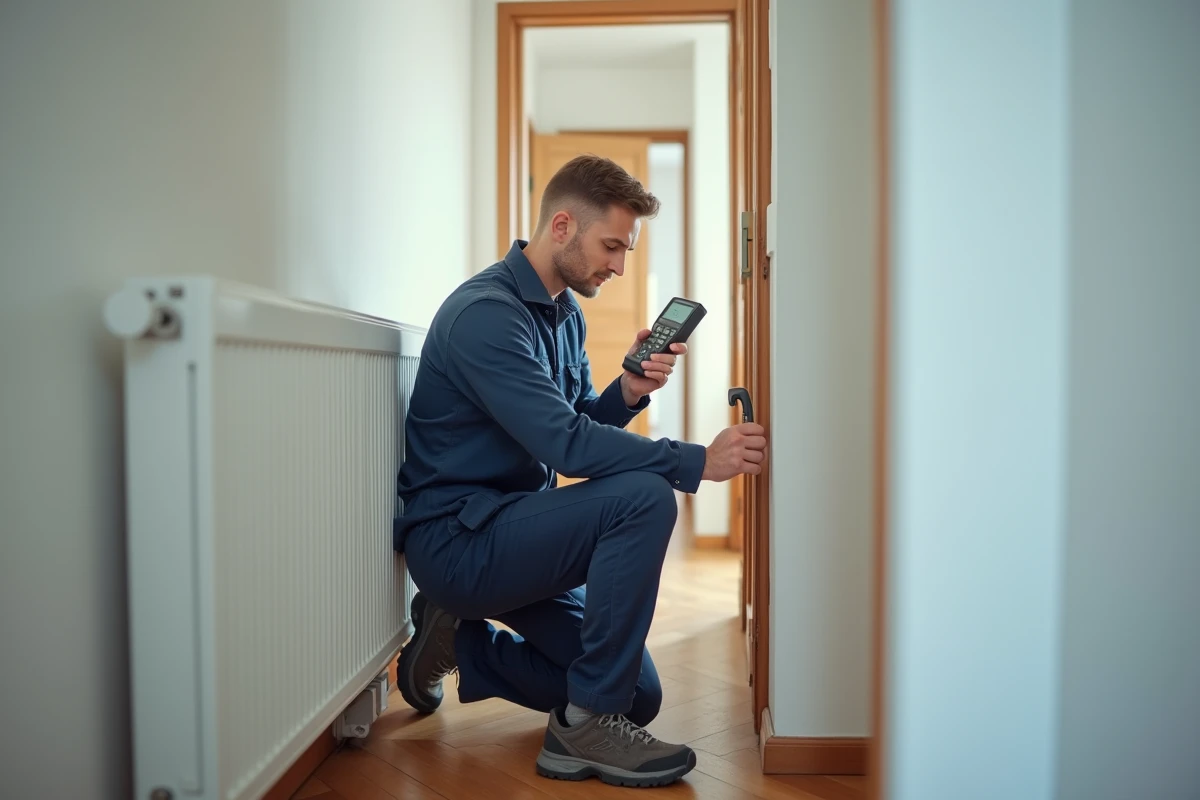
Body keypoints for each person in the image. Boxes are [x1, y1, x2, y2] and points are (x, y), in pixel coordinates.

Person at [391, 154, 767, 788]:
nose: (619, 265)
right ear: (562, 225)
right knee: (648, 497)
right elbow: (567, 445)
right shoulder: (487, 316)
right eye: (612, 245)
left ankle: (462, 642)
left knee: (635, 695)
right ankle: (582, 729)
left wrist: (626, 390)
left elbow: (575, 422)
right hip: (461, 542)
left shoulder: (563, 313)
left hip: (513, 532)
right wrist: (697, 462)